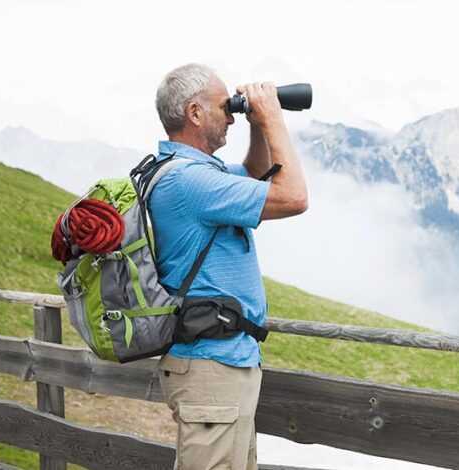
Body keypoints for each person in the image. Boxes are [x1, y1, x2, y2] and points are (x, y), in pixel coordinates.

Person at [150, 63, 308, 470]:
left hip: (222, 366)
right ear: (195, 114)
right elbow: (293, 197)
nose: (232, 116)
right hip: (210, 368)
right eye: (225, 107)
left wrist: (256, 125)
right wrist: (272, 117)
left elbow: (256, 174)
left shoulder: (197, 174)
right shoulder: (190, 182)